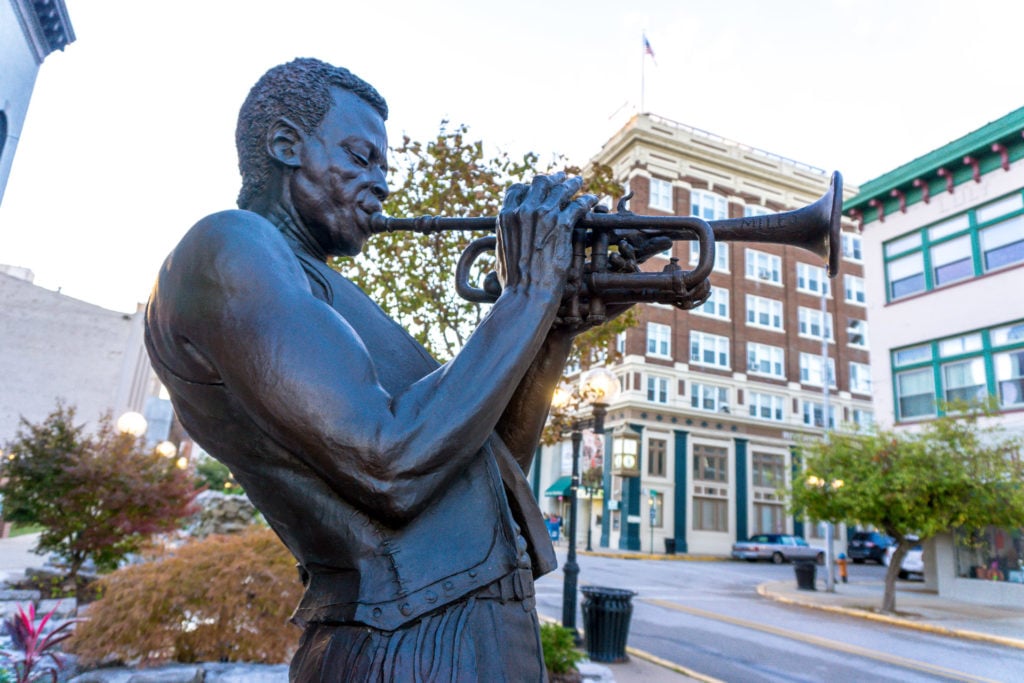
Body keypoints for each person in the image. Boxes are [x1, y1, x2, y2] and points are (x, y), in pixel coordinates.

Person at [145, 57, 623, 681]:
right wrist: (527, 295)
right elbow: (389, 466)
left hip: (457, 633)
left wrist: (551, 325)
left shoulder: (320, 286)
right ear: (287, 145)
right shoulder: (230, 244)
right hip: (399, 646)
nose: (383, 184)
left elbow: (484, 468)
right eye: (361, 157)